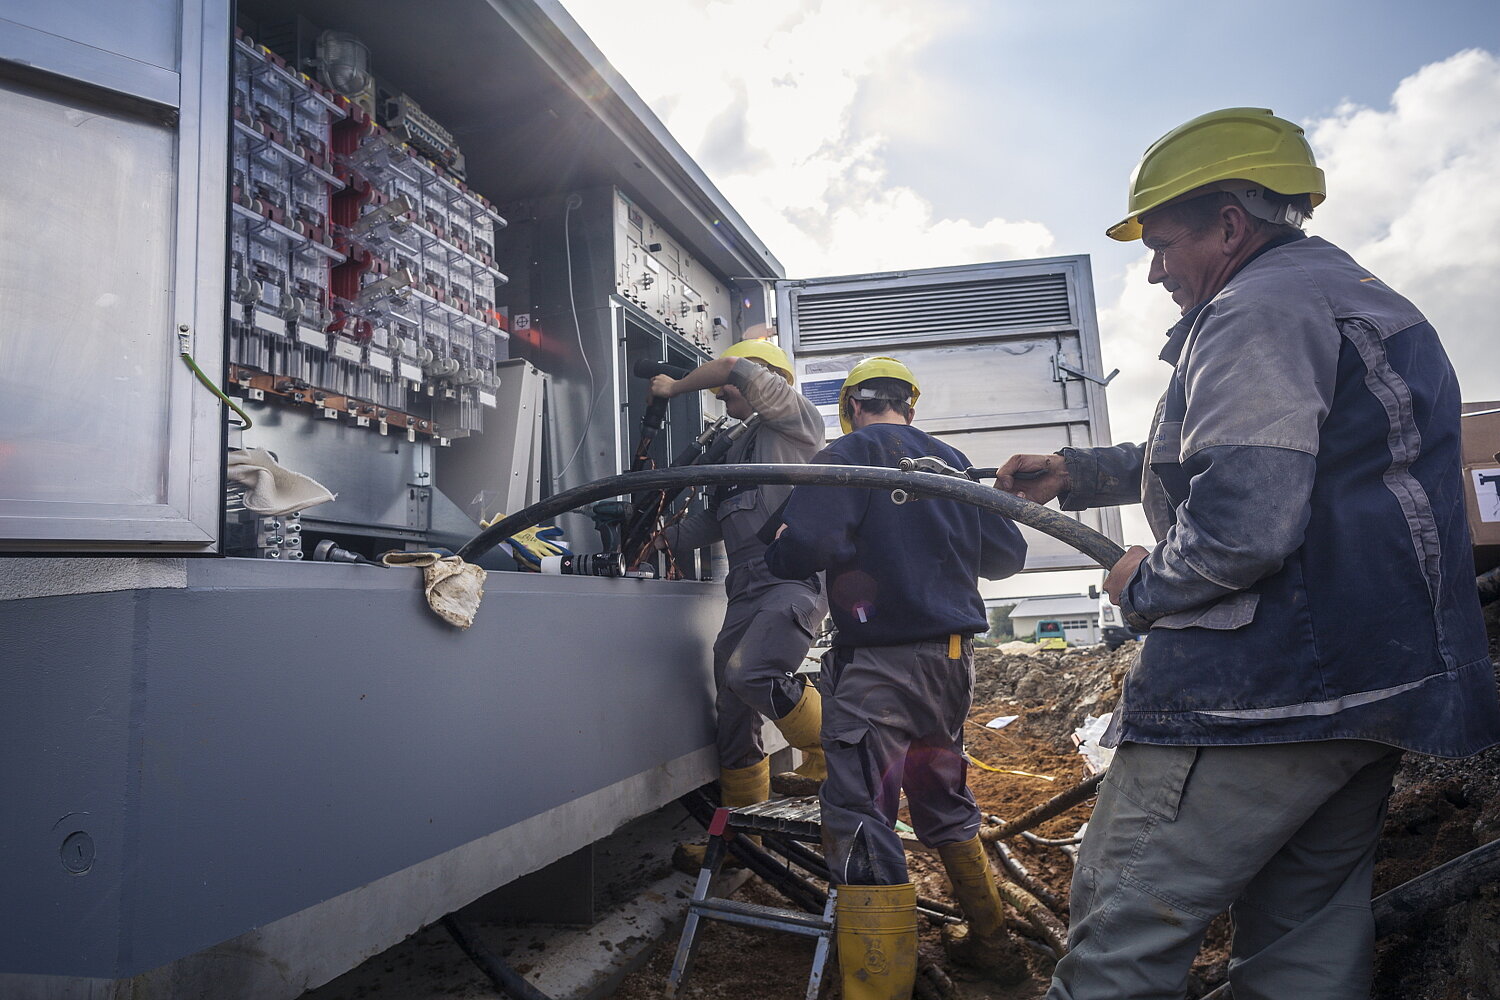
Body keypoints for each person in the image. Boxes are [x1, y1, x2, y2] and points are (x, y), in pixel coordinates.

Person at [994, 107, 1500, 999]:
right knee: (1302, 945)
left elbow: (1245, 521)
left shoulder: (1254, 310)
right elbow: (1299, 458)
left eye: (1160, 244)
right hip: (1373, 688)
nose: (1152, 273)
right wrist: (1077, 470)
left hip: (1260, 695)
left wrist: (1142, 581)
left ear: (1230, 223)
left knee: (1121, 938)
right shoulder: (1351, 295)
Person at [765, 356, 1030, 999]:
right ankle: (994, 947)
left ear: (852, 405)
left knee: (858, 814)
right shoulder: (950, 462)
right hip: (950, 664)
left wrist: (781, 536)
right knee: (941, 794)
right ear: (909, 406)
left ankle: (877, 987)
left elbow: (801, 551)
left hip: (879, 667)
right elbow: (1007, 556)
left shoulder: (847, 456)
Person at [648, 338, 828, 859]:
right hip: (745, 586)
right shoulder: (736, 445)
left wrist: (674, 386)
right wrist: (660, 538)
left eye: (732, 388)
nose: (723, 392)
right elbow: (718, 518)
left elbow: (732, 367)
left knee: (752, 674)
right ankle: (743, 842)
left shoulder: (795, 422)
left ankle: (832, 750)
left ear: (768, 381)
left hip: (791, 578)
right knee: (732, 709)